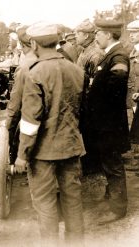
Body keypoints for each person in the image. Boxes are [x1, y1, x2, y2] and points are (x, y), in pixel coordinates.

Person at [14, 22, 85, 245]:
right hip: (71, 146)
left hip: (43, 152)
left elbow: (30, 121)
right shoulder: (76, 70)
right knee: (73, 201)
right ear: (56, 42)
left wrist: (22, 155)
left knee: (45, 204)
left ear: (34, 44)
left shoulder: (35, 73)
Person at [85, 19, 130, 224]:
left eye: (98, 34)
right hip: (105, 123)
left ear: (109, 35)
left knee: (113, 164)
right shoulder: (110, 55)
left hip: (109, 123)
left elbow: (116, 88)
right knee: (107, 162)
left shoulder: (118, 56)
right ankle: (111, 198)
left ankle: (118, 209)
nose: (96, 37)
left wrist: (97, 102)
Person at [74, 19, 105, 175]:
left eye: (77, 34)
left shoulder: (95, 54)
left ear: (86, 36)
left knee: (91, 132)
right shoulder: (84, 51)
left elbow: (94, 82)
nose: (75, 36)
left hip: (90, 100)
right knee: (85, 132)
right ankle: (89, 163)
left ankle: (93, 165)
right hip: (83, 98)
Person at [5, 25, 37, 164]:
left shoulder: (24, 67)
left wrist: (7, 129)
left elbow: (15, 105)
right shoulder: (63, 63)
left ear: (21, 45)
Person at [127, 20, 139, 154]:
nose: (131, 35)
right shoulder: (132, 51)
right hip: (133, 94)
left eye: (135, 32)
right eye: (130, 33)